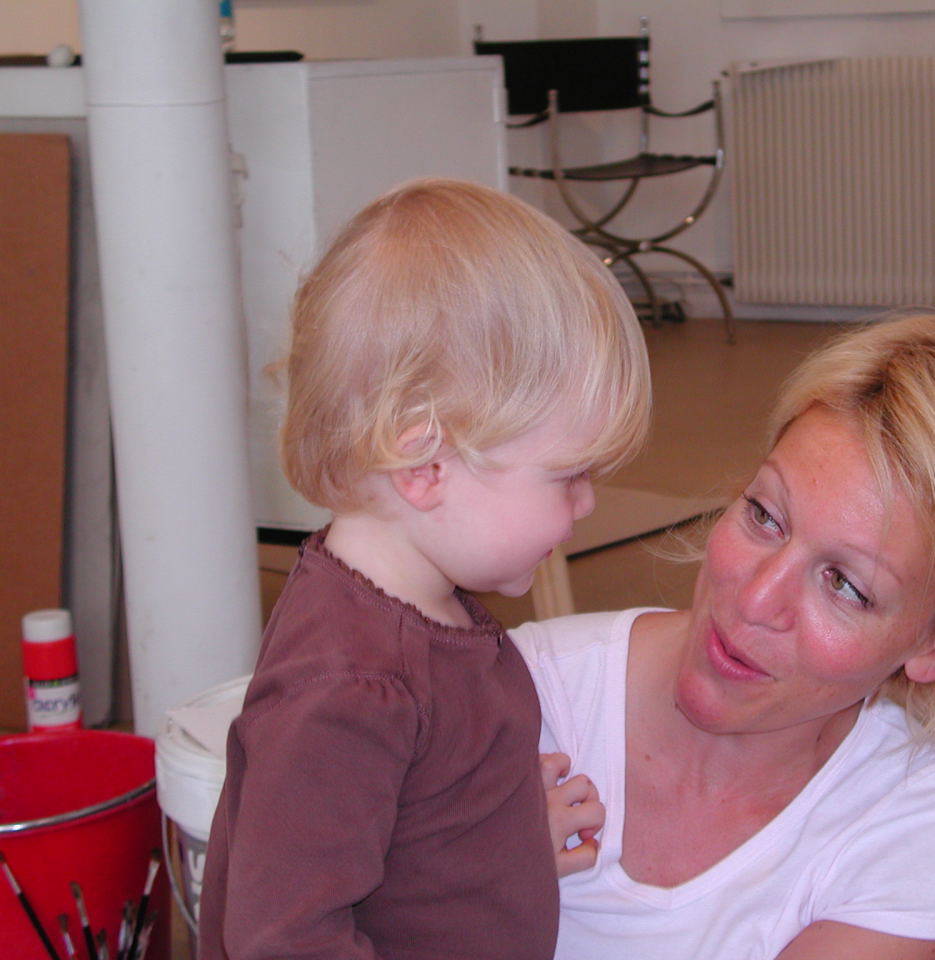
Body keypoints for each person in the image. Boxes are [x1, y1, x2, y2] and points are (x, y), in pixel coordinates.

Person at [515, 312, 935, 960]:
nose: (756, 600)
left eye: (846, 585)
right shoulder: (510, 699)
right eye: (765, 516)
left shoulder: (907, 841)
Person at [198, 178, 651, 960]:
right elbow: (284, 939)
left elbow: (407, 840)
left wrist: (504, 848)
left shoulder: (427, 605)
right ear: (425, 465)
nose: (586, 504)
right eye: (568, 475)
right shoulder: (347, 692)